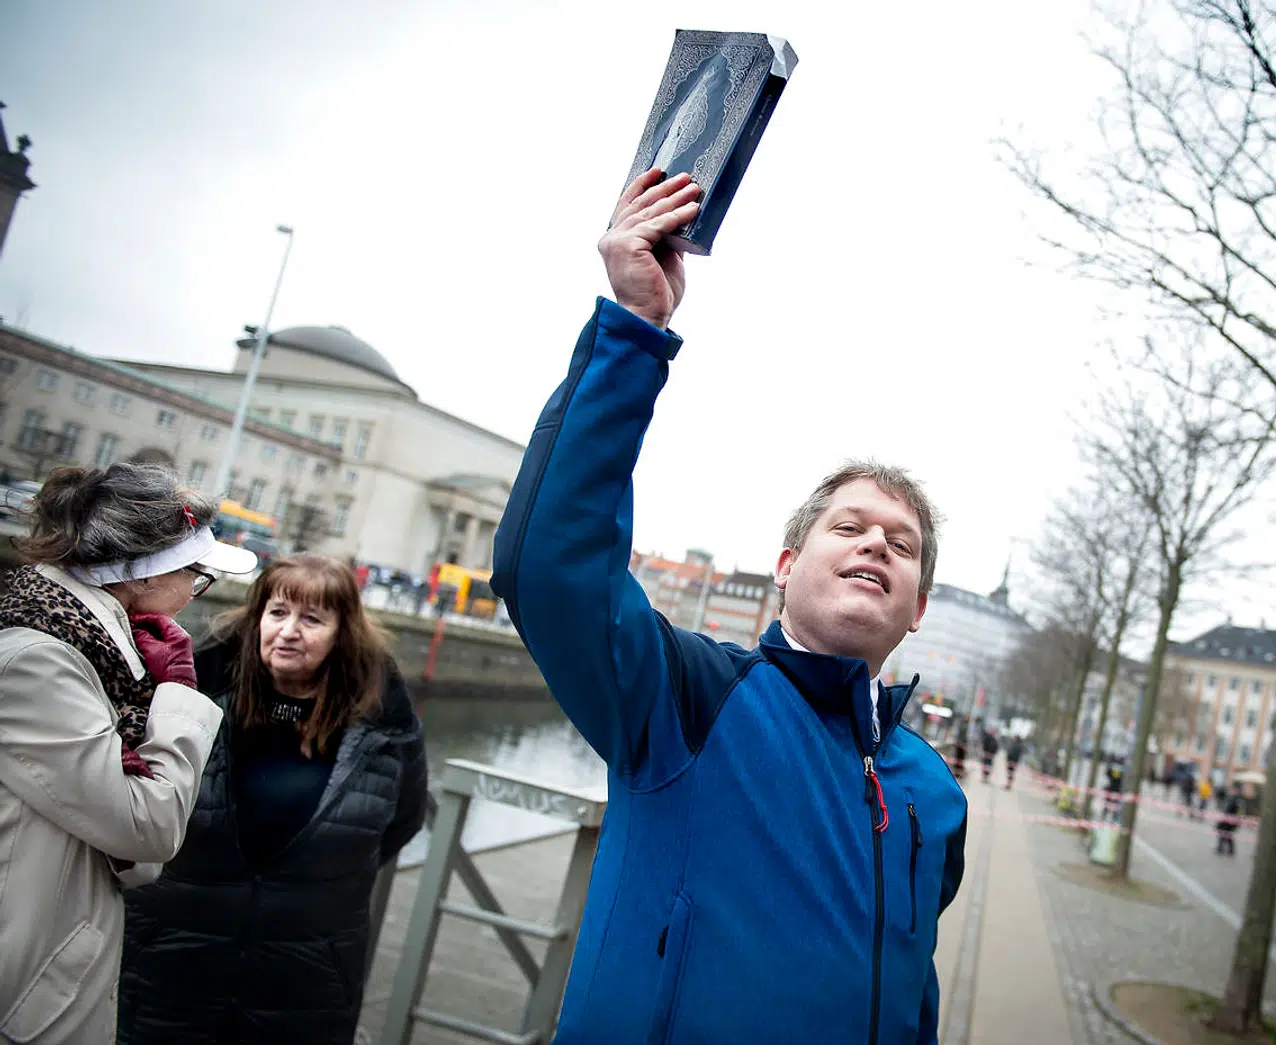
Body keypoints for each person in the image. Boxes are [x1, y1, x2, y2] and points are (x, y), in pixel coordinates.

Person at [491, 168, 968, 1044]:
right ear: (786, 566)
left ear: (919, 606)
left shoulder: (935, 794)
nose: (874, 546)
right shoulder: (688, 698)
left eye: (900, 545)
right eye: (850, 527)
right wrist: (635, 329)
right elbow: (550, 567)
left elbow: (911, 991)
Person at [117, 554, 428, 1045]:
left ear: (341, 634)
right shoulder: (190, 701)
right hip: (171, 965)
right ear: (257, 618)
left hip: (304, 982)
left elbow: (401, 821)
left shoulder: (381, 731)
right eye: (278, 613)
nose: (289, 631)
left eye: (312, 619)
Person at [0, 463, 254, 1044]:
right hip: (28, 988)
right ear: (141, 577)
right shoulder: (38, 662)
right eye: (196, 573)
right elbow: (148, 827)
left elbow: (131, 855)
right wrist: (178, 699)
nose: (196, 591)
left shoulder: (88, 650)